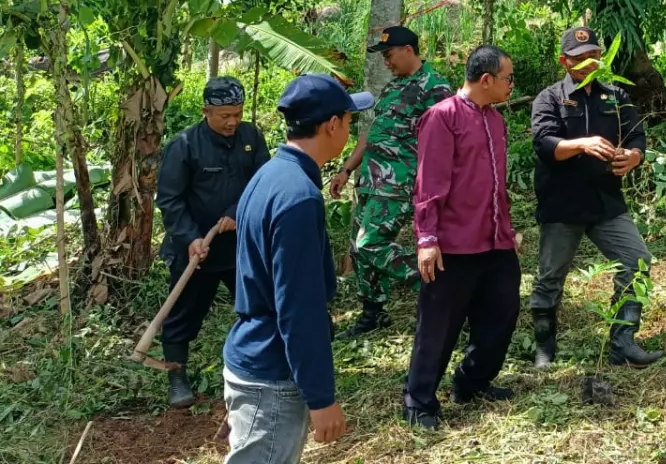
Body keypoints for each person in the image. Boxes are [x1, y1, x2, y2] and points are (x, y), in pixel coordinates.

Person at [223, 74, 373, 462]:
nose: (350, 128)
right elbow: (298, 308)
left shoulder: (271, 176)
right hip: (270, 374)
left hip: (255, 353)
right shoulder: (298, 197)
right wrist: (321, 398)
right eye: (349, 119)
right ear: (332, 125)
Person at [527, 26, 663, 369]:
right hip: (563, 203)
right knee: (550, 278)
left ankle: (623, 343)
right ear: (565, 61)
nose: (590, 63)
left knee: (637, 263)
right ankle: (544, 347)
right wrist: (582, 144)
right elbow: (544, 144)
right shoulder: (551, 98)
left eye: (595, 56)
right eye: (581, 58)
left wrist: (633, 157)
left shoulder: (616, 96)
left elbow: (637, 137)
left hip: (606, 201)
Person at [403, 45, 519, 430]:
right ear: (485, 80)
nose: (511, 85)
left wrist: (507, 227)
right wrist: (427, 238)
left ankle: (472, 381)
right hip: (452, 243)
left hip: (494, 239)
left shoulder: (496, 120)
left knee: (502, 314)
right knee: (439, 325)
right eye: (507, 78)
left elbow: (496, 185)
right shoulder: (442, 118)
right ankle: (419, 400)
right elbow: (429, 184)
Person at [330, 26, 453, 338]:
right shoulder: (393, 88)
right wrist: (346, 169)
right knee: (359, 252)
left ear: (408, 50)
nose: (386, 62)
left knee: (370, 244)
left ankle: (439, 287)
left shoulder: (435, 88)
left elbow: (449, 139)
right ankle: (372, 313)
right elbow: (372, 133)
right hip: (370, 181)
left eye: (389, 55)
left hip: (398, 184)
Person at [155, 77, 269, 409]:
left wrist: (237, 212)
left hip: (240, 248)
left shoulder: (251, 137)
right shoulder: (186, 145)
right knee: (182, 316)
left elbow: (262, 181)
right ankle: (177, 376)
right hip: (196, 251)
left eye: (237, 113)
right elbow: (170, 199)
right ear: (206, 111)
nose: (232, 121)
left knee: (258, 308)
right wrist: (190, 238)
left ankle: (260, 370)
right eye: (224, 116)